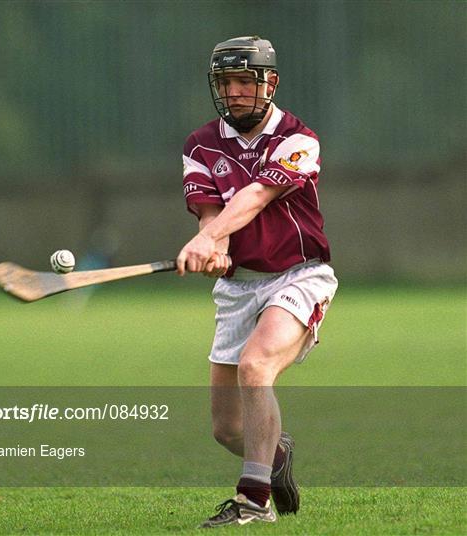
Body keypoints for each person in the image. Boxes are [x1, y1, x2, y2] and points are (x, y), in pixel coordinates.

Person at [176, 36, 339, 528]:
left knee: (256, 366)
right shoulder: (201, 144)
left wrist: (214, 235)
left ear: (270, 83)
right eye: (226, 82)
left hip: (299, 275)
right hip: (237, 287)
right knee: (227, 429)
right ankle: (276, 455)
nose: (235, 92)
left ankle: (253, 501)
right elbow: (210, 214)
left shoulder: (297, 140)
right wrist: (211, 244)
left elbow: (256, 196)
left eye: (245, 81)